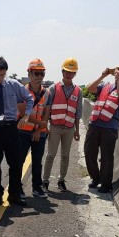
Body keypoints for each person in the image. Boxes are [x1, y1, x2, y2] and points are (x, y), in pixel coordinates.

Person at [0, 56, 33, 207]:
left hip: (11, 127)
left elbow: (29, 98)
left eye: (2, 74)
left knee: (15, 163)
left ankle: (14, 194)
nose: (0, 78)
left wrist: (27, 116)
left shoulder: (13, 85)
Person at [84, 62, 119, 193]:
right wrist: (102, 76)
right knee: (89, 153)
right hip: (94, 124)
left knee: (106, 156)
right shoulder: (105, 86)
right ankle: (96, 178)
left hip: (110, 128)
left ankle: (106, 184)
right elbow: (90, 88)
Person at [42, 58, 83, 193]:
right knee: (50, 155)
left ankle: (61, 181)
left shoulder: (78, 91)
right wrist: (45, 125)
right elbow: (47, 108)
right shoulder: (53, 88)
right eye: (66, 71)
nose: (68, 74)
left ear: (75, 74)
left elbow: (78, 113)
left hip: (69, 128)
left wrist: (77, 130)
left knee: (65, 156)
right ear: (62, 71)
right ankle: (45, 181)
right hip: (55, 126)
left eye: (71, 72)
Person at [17, 59, 52, 198]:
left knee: (37, 161)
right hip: (23, 130)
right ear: (29, 73)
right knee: (19, 161)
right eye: (36, 73)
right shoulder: (22, 91)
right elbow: (22, 112)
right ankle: (17, 188)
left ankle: (37, 188)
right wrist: (40, 124)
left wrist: (38, 129)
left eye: (42, 74)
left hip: (40, 133)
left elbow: (47, 112)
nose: (39, 77)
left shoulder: (47, 93)